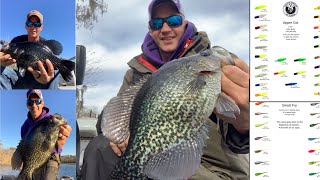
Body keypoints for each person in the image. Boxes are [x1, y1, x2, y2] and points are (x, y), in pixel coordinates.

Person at [81, 0, 249, 179]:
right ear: (150, 29)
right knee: (99, 147)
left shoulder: (220, 67)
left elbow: (243, 140)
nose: (165, 29)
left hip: (213, 169)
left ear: (185, 22)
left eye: (174, 21)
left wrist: (246, 124)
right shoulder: (135, 74)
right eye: (157, 23)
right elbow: (114, 117)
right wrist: (120, 136)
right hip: (153, 157)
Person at [0, 10, 60, 89]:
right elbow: (4, 54)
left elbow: (52, 63)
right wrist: (1, 61)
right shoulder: (17, 41)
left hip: (41, 81)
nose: (33, 27)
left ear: (41, 27)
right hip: (20, 79)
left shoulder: (46, 45)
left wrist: (46, 78)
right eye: (29, 23)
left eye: (37, 24)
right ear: (26, 26)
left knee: (56, 73)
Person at [22, 89, 72, 179]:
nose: (34, 105)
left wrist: (62, 136)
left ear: (43, 103)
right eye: (30, 102)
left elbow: (58, 142)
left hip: (52, 156)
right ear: (27, 105)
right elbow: (24, 149)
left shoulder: (50, 119)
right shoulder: (24, 127)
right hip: (34, 160)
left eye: (37, 101)